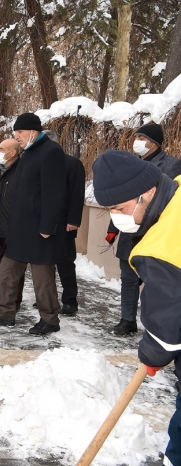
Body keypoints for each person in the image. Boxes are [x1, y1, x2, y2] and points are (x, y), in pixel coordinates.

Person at [91, 150, 181, 465]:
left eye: (120, 207)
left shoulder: (161, 248)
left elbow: (166, 330)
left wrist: (152, 352)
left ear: (149, 192)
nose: (117, 216)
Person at [0, 112, 67, 334]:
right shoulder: (28, 153)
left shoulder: (51, 152)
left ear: (33, 131)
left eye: (19, 131)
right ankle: (4, 313)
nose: (16, 136)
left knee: (42, 279)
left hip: (39, 230)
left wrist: (48, 226)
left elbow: (54, 192)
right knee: (7, 272)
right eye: (15, 132)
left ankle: (50, 320)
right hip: (18, 228)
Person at [107, 123, 181, 335]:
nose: (137, 141)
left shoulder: (174, 165)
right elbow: (120, 198)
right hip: (130, 231)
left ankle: (156, 326)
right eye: (137, 136)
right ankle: (127, 319)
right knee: (128, 279)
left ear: (154, 142)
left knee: (156, 282)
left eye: (142, 137)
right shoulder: (131, 165)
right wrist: (113, 227)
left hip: (157, 233)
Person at [44, 130, 86, 316]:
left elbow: (77, 195)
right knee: (45, 264)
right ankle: (48, 298)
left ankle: (70, 301)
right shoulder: (41, 165)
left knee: (65, 264)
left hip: (64, 224)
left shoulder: (72, 164)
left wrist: (73, 220)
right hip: (43, 223)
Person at [0, 138, 24, 307]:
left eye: (1, 148)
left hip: (14, 228)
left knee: (13, 268)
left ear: (12, 153)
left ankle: (14, 298)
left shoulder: (22, 171)